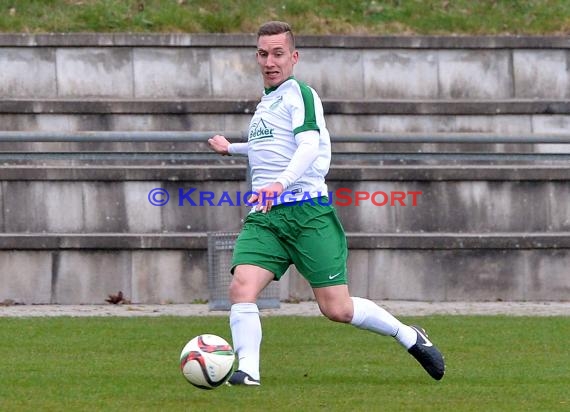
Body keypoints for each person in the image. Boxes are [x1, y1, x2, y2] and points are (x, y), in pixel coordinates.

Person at [208, 20, 445, 386]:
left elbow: (308, 145)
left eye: (278, 53)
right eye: (262, 53)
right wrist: (232, 148)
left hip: (307, 213)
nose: (269, 61)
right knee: (242, 286)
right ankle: (247, 372)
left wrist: (279, 184)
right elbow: (269, 147)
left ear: (294, 57)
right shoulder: (267, 103)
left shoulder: (299, 94)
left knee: (338, 308)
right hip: (267, 217)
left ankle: (409, 336)